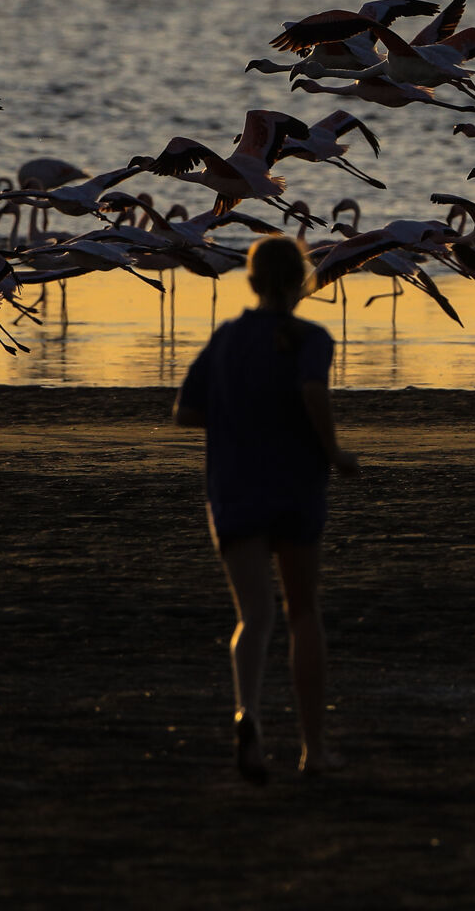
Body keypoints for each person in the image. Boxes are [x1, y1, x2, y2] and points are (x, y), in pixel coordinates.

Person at [173, 234, 359, 783]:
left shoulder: (228, 338)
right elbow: (312, 392)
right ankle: (314, 749)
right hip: (295, 485)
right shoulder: (311, 337)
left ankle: (248, 716)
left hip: (235, 487)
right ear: (303, 282)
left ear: (251, 281)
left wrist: (238, 419)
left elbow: (185, 412)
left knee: (254, 615)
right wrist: (333, 451)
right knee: (303, 612)